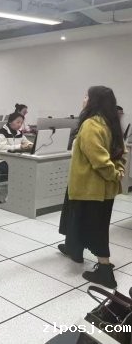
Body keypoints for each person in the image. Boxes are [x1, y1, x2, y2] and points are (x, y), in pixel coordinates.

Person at [58, 86, 126, 289]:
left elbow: (99, 160)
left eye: (86, 96)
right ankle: (74, 249)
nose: (83, 99)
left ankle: (105, 270)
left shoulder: (91, 124)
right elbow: (121, 154)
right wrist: (118, 173)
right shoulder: (112, 124)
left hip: (90, 188)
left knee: (94, 228)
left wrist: (114, 174)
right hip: (104, 189)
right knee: (84, 221)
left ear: (93, 101)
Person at [0, 112, 33, 178]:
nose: (20, 125)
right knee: (16, 169)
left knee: (27, 165)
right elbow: (2, 148)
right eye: (18, 122)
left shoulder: (19, 133)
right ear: (10, 122)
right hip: (0, 160)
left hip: (13, 158)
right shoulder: (2, 133)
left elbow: (26, 141)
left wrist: (30, 145)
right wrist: (19, 147)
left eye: (21, 123)